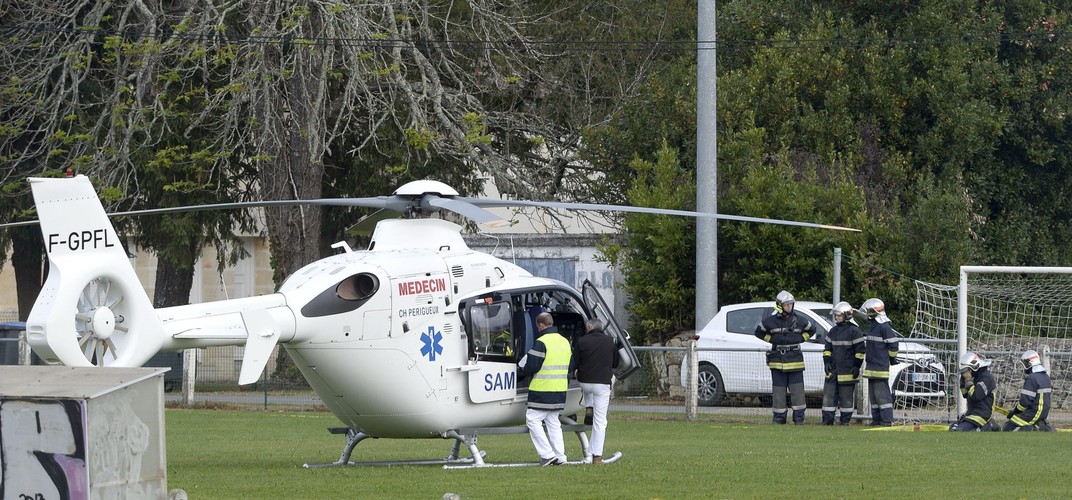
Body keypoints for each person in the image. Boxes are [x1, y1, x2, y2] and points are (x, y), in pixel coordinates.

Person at [518, 312, 572, 465]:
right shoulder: (564, 341)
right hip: (560, 389)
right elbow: (570, 364)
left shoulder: (541, 342)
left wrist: (520, 370)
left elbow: (532, 366)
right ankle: (560, 456)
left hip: (542, 389)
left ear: (541, 325)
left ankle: (547, 455)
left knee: (532, 420)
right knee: (553, 423)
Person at [755, 290, 816, 424]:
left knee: (797, 393)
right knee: (778, 393)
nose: (789, 306)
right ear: (780, 305)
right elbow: (758, 332)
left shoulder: (800, 320)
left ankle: (799, 419)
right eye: (786, 304)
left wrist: (801, 338)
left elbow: (812, 330)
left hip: (795, 362)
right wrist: (771, 339)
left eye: (791, 304)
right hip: (777, 362)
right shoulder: (770, 321)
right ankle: (779, 418)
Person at [573, 318, 619, 464]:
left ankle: (589, 407)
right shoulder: (610, 341)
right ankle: (597, 456)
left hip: (585, 383)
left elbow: (575, 362)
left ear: (589, 327)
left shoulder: (581, 341)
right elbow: (615, 363)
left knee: (583, 378)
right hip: (602, 384)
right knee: (600, 421)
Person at [821, 301, 865, 425]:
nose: (837, 317)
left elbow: (860, 351)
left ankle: (845, 421)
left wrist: (856, 366)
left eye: (839, 315)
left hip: (848, 371)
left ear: (847, 315)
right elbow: (827, 349)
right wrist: (827, 362)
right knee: (829, 397)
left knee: (846, 399)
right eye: (836, 315)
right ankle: (827, 420)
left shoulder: (855, 331)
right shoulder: (833, 331)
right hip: (833, 370)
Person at [861, 298, 898, 426]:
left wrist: (892, 359)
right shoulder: (874, 326)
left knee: (882, 396)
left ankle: (886, 420)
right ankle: (876, 420)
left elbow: (893, 345)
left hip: (880, 367)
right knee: (874, 397)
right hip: (871, 367)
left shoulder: (884, 327)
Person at [1002, 349, 1055, 432]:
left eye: (1025, 363)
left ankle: (1032, 429)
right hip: (1043, 414)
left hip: (1033, 414)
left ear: (1030, 363)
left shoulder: (1032, 378)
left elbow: (1025, 402)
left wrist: (1015, 412)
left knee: (1009, 426)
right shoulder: (1045, 377)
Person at [949, 351, 996, 431]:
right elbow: (965, 394)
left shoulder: (986, 378)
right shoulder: (976, 377)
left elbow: (976, 395)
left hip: (981, 415)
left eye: (966, 370)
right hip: (971, 414)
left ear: (972, 368)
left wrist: (968, 381)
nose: (965, 373)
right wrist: (963, 382)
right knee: (952, 428)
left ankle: (988, 427)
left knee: (958, 430)